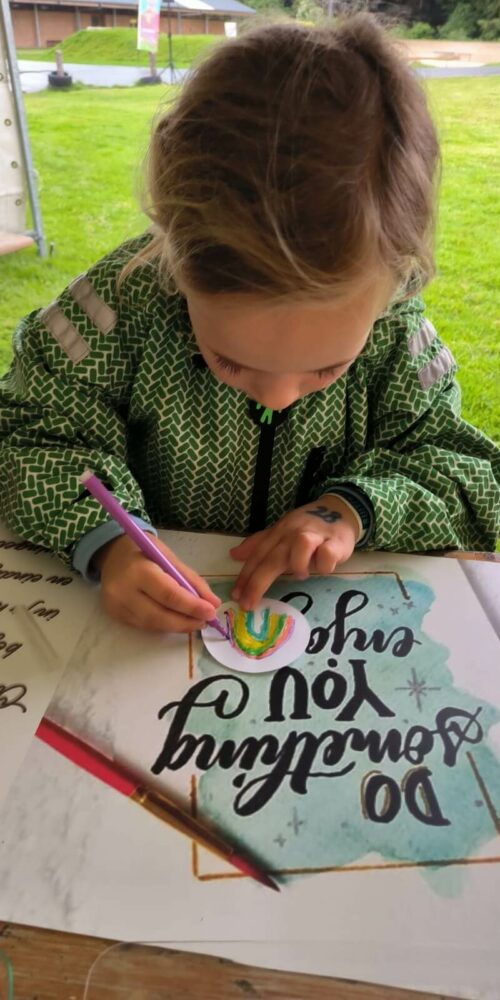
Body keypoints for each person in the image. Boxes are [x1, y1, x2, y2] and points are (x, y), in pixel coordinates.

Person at [0, 16, 498, 634]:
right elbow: (29, 436)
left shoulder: (395, 330)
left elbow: (468, 476)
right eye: (230, 361)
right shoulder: (117, 308)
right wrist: (107, 541)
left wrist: (352, 510)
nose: (279, 397)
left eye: (328, 368)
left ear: (395, 282)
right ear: (177, 257)